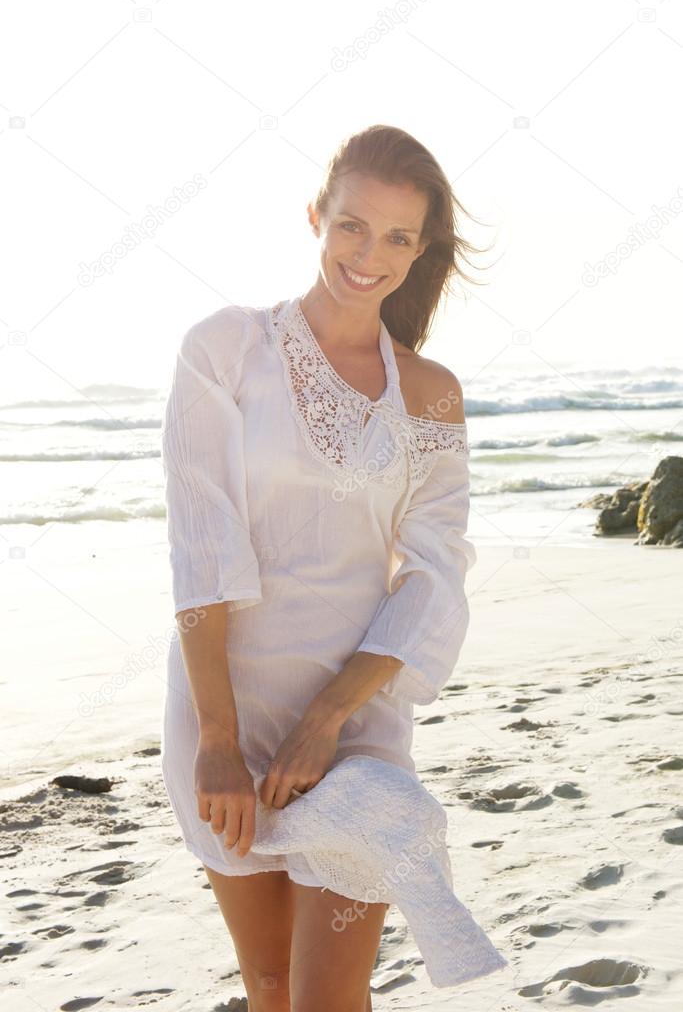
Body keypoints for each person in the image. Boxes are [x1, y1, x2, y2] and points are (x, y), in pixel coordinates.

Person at [160, 124, 490, 1012]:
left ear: (419, 252)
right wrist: (219, 741)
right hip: (222, 707)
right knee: (268, 982)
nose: (368, 254)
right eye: (352, 225)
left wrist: (327, 719)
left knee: (327, 998)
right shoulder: (225, 349)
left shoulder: (430, 393)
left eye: (396, 237)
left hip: (356, 721)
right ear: (315, 216)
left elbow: (430, 574)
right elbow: (203, 545)